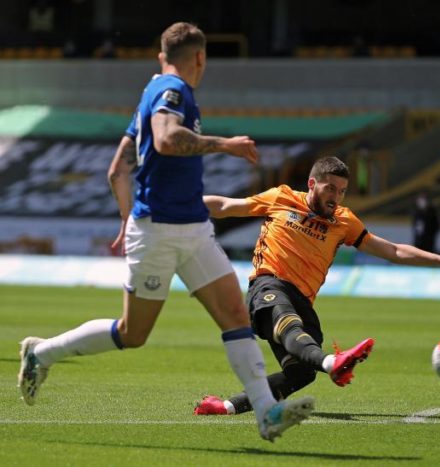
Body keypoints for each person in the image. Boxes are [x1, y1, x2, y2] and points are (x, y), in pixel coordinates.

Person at [17, 22, 313, 441]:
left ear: (162, 56)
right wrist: (224, 144)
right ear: (200, 58)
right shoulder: (172, 93)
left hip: (188, 226)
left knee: (233, 314)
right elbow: (167, 140)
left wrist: (125, 217)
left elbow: (118, 168)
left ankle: (266, 413)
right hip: (158, 231)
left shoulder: (151, 93)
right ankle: (41, 353)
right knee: (132, 333)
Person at [193, 156, 440, 416]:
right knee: (288, 323)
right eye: (330, 188)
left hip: (303, 301)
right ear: (312, 184)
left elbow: (392, 250)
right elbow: (225, 206)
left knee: (301, 374)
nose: (336, 197)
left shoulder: (344, 221)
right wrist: (178, 203)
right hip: (267, 286)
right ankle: (333, 362)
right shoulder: (280, 198)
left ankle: (225, 407)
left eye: (342, 191)